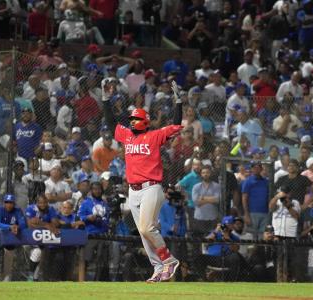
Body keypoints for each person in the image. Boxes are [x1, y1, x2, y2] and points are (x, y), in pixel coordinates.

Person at [102, 80, 183, 282]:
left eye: (135, 119)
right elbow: (111, 122)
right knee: (144, 232)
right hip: (133, 190)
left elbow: (176, 125)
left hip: (151, 187)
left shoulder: (155, 135)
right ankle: (157, 268)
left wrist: (179, 102)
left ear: (144, 121)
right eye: (131, 119)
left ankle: (169, 260)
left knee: (147, 228)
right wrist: (105, 99)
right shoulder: (127, 135)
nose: (131, 122)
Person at [78, 182, 111, 281]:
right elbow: (78, 217)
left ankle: (98, 280)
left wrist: (103, 221)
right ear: (91, 191)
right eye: (95, 189)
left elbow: (108, 219)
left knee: (102, 260)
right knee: (86, 259)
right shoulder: (86, 202)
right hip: (90, 235)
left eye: (99, 189)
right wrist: (88, 217)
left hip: (103, 235)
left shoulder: (105, 204)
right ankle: (82, 280)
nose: (97, 191)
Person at [195, 216, 241, 281]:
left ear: (232, 226)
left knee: (235, 257)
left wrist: (228, 239)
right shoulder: (215, 233)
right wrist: (216, 231)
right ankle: (205, 280)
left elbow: (236, 250)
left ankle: (232, 281)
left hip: (226, 259)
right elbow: (205, 242)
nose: (226, 227)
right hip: (213, 259)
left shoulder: (234, 237)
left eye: (229, 225)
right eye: (225, 225)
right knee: (198, 258)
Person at [0, 194, 26, 281]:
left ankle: (6, 281)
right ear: (4, 203)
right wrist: (10, 227)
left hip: (10, 242)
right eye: (7, 202)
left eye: (11, 202)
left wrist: (17, 227)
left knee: (8, 264)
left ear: (14, 204)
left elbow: (23, 223)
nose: (9, 204)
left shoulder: (17, 211)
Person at [25, 194, 60, 281]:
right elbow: (30, 225)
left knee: (41, 257)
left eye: (45, 203)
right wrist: (47, 225)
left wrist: (40, 223)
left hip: (44, 239)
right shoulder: (31, 208)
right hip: (28, 237)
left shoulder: (50, 209)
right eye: (40, 203)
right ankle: (30, 276)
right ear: (37, 203)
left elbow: (56, 224)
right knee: (37, 252)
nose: (43, 205)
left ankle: (35, 278)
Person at [242, 161, 269, 239]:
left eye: (258, 167)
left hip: (265, 213)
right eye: (254, 167)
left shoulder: (266, 182)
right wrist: (246, 214)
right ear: (252, 169)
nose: (256, 169)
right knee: (251, 237)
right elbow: (244, 198)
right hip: (252, 213)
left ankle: (260, 251)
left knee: (262, 237)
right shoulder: (247, 181)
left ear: (261, 169)